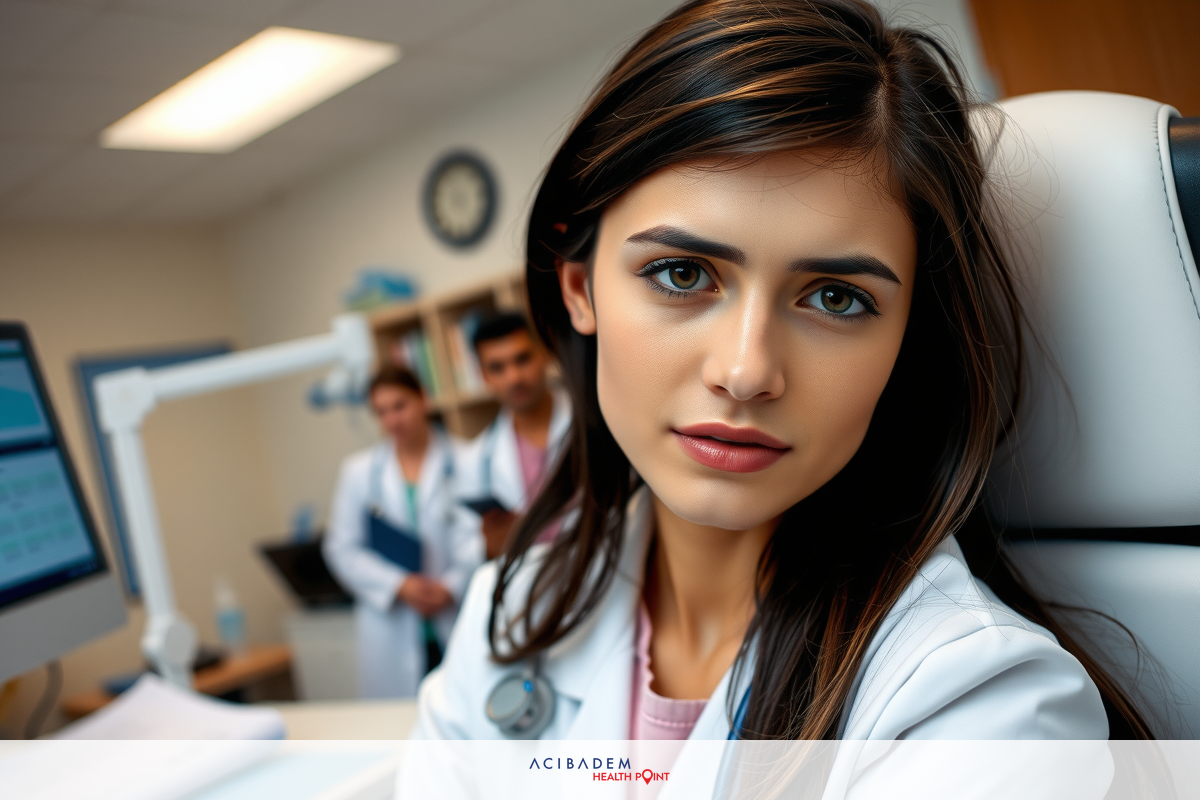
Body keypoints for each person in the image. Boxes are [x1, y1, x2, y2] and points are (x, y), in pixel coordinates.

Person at [412, 0, 1150, 746]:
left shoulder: (974, 703)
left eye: (836, 298)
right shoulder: (504, 620)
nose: (745, 371)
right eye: (680, 274)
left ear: (907, 338)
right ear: (579, 286)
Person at [324, 366, 483, 698]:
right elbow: (341, 548)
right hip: (393, 621)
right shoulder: (359, 473)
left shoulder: (467, 459)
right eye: (381, 412)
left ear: (423, 399)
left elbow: (483, 536)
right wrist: (399, 585)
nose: (393, 420)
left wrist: (451, 586)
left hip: (454, 612)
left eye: (400, 406)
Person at [457, 312, 571, 559]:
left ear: (542, 353)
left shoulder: (593, 421)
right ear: (484, 375)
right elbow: (463, 548)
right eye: (497, 367)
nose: (514, 377)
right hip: (530, 583)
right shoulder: (475, 458)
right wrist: (490, 546)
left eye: (522, 359)